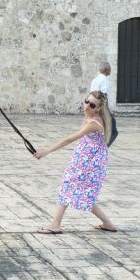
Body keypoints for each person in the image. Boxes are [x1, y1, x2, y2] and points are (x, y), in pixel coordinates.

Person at [33, 90, 117, 234]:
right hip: (85, 161)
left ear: (98, 108)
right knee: (82, 194)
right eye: (86, 101)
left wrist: (46, 151)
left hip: (88, 164)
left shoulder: (94, 123)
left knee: (69, 189)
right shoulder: (92, 117)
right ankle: (108, 223)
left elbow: (69, 139)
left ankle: (55, 224)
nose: (86, 106)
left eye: (91, 105)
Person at [90, 61, 118, 146]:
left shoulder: (95, 80)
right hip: (102, 109)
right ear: (106, 69)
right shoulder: (105, 80)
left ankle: (97, 148)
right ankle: (102, 149)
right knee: (113, 131)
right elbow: (104, 96)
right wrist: (107, 111)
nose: (110, 70)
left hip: (93, 108)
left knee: (98, 132)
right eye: (110, 69)